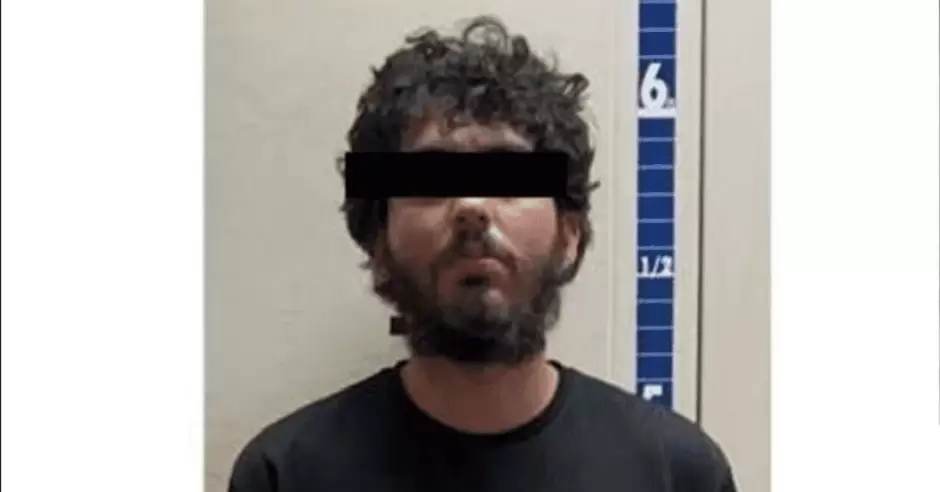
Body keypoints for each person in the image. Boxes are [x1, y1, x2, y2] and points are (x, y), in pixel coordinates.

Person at [229, 15, 737, 492]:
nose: (471, 206)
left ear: (570, 236)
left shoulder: (677, 473)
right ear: (380, 243)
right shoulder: (285, 475)